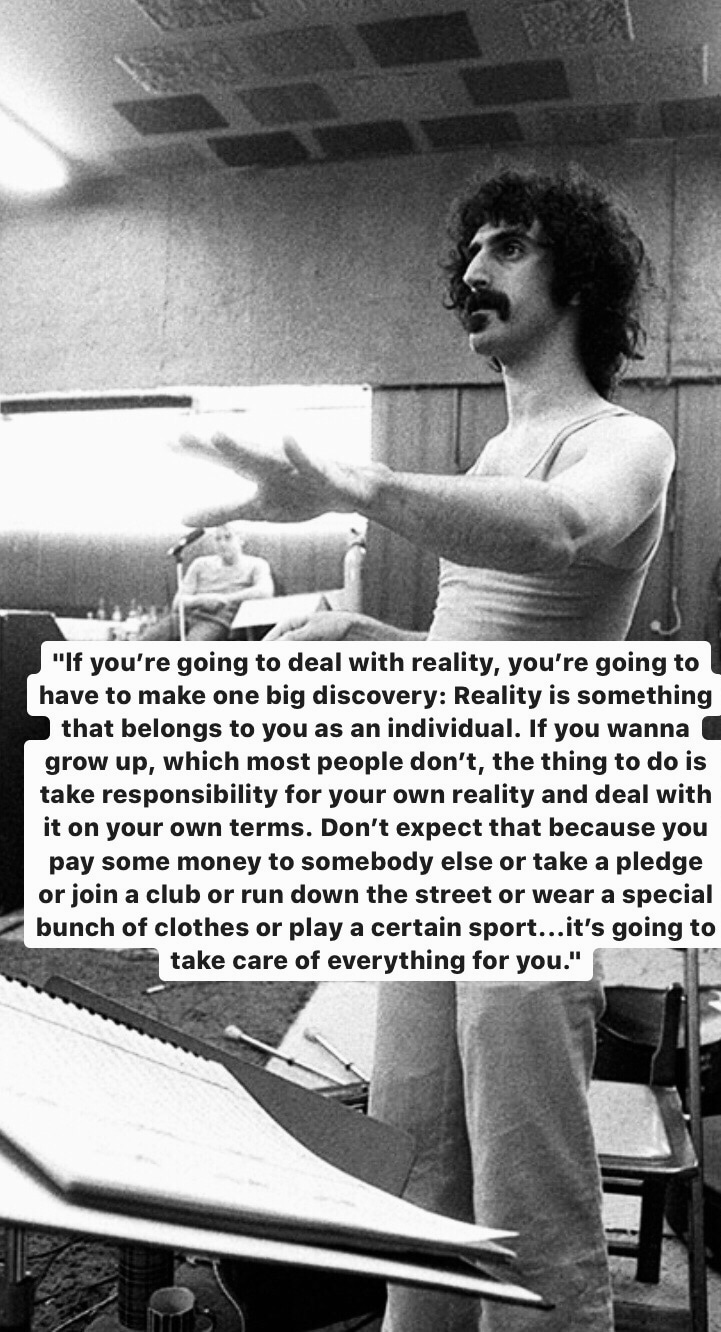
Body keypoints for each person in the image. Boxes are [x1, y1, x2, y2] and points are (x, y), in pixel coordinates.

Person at [176, 167, 674, 1331]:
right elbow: (486, 651)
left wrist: (354, 482)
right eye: (472, 252)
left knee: (526, 1182)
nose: (473, 272)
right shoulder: (492, 458)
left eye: (509, 247)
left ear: (579, 280)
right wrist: (376, 640)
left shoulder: (624, 441)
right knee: (417, 1166)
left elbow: (568, 533)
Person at [141, 522, 274, 640]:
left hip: (217, 620)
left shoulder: (256, 564)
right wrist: (202, 600)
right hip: (185, 617)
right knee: (146, 640)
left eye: (228, 537)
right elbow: (178, 602)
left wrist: (225, 599)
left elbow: (265, 591)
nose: (222, 543)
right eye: (217, 539)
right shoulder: (200, 564)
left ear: (241, 539)